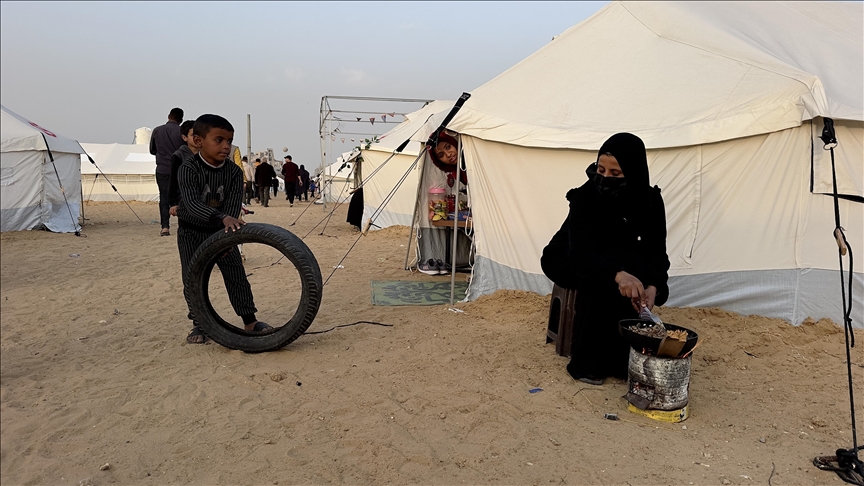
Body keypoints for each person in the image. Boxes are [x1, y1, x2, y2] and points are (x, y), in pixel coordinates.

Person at [541, 132, 670, 385]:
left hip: (617, 258)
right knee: (604, 276)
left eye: (615, 173)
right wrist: (617, 274)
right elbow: (581, 253)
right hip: (568, 257)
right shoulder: (586, 197)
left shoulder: (650, 201)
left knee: (631, 265)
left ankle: (622, 357)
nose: (605, 178)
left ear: (633, 172)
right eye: (601, 170)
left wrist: (654, 286)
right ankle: (589, 363)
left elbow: (656, 251)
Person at [175, 114, 271, 344]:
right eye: (219, 140)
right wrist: (221, 218)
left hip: (221, 232)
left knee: (236, 274)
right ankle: (200, 323)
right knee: (193, 278)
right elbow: (191, 204)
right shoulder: (188, 169)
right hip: (191, 232)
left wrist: (226, 238)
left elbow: (232, 206)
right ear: (198, 141)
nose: (226, 146)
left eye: (229, 141)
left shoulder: (235, 173)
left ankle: (249, 320)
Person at [150, 107, 185, 236]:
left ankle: (165, 227)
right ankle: (182, 224)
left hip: (162, 169)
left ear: (169, 116)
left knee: (164, 197)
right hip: (179, 170)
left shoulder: (157, 130)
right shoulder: (182, 132)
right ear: (181, 119)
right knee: (182, 197)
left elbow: (152, 150)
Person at [167, 119, 198, 216]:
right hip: (185, 201)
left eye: (199, 134)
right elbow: (173, 180)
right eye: (193, 135)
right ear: (184, 137)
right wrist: (173, 203)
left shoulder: (207, 155)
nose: (197, 138)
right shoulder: (179, 156)